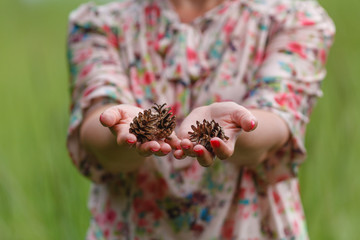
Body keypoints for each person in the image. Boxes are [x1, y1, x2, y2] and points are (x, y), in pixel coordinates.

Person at [66, 0, 335, 239]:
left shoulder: (296, 18)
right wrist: (125, 130)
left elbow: (277, 121)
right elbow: (98, 128)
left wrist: (237, 127)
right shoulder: (97, 24)